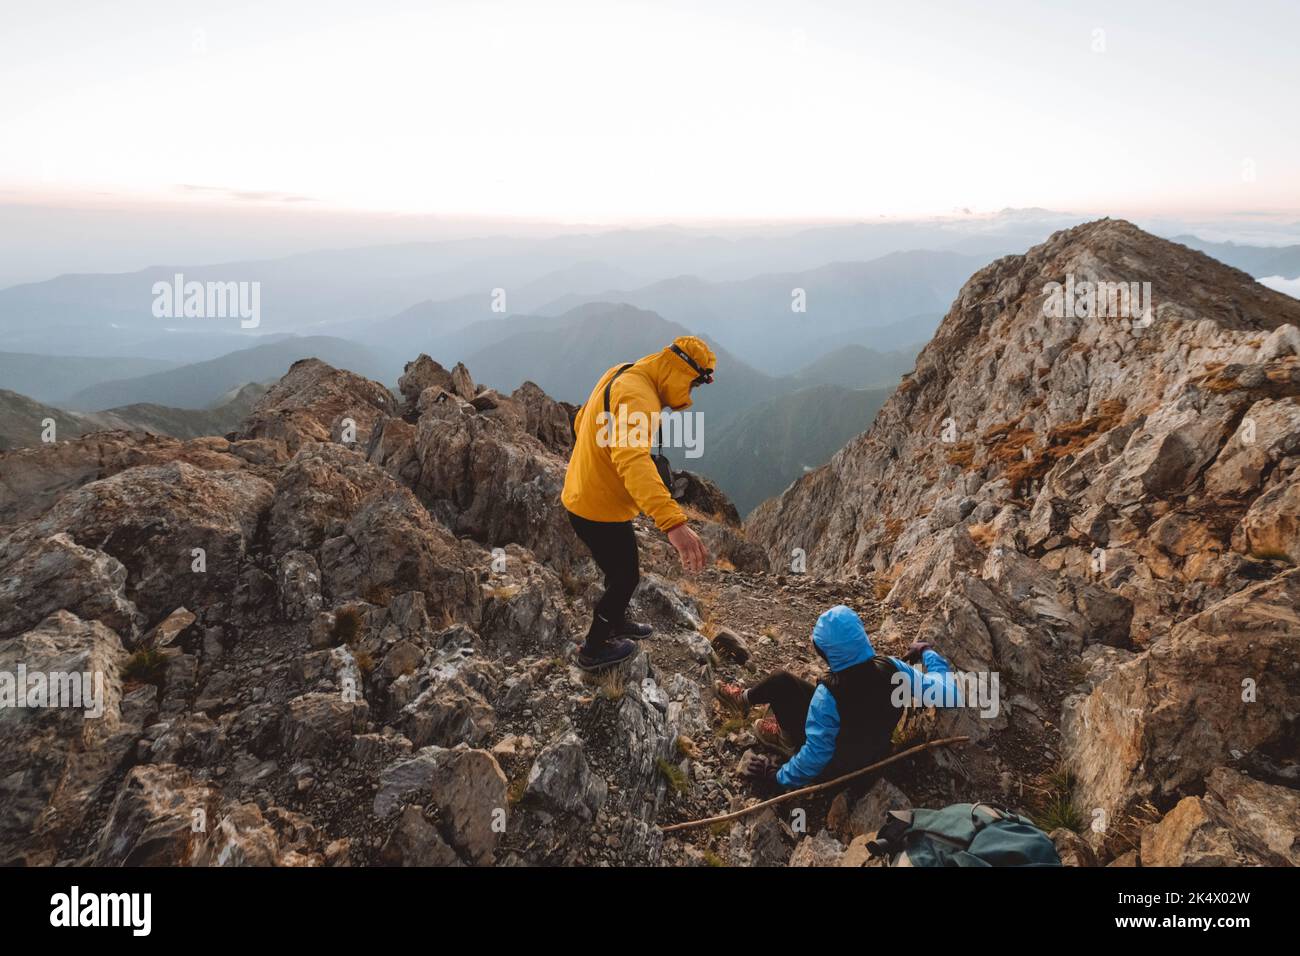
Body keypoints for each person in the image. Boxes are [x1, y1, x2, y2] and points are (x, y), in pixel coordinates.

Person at [562, 335, 716, 671]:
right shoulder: (639, 397)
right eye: (693, 384)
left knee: (620, 568)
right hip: (596, 508)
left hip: (589, 497)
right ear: (680, 370)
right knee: (626, 577)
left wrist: (595, 463)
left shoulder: (624, 372)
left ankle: (615, 621)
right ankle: (594, 647)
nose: (690, 395)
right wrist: (674, 524)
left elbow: (582, 419)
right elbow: (632, 459)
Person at [716, 604, 961, 789]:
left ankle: (785, 739)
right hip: (873, 754)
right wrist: (927, 653)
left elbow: (816, 754)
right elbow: (947, 693)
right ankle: (748, 705)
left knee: (782, 682)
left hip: (838, 771)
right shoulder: (894, 669)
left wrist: (776, 777)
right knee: (794, 690)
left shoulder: (827, 696)